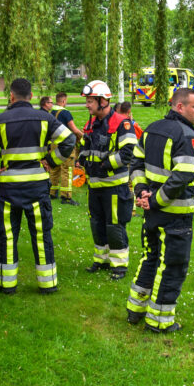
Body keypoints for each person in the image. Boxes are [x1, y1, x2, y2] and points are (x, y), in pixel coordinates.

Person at [0, 78, 75, 295]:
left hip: (9, 187)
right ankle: (48, 285)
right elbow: (69, 140)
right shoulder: (44, 118)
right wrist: (51, 160)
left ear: (11, 96)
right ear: (31, 96)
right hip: (37, 187)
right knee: (41, 234)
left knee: (8, 235)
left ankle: (6, 284)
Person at [127, 88, 194, 333]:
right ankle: (159, 321)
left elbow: (136, 163)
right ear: (179, 107)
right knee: (172, 265)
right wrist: (155, 200)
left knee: (150, 257)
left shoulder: (151, 129)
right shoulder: (186, 135)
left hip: (152, 210)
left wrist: (141, 193)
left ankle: (135, 310)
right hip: (174, 213)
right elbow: (184, 174)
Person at [79, 80, 137, 280]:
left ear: (103, 101)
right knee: (97, 223)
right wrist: (81, 159)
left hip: (114, 187)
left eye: (89, 101)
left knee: (114, 225)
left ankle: (119, 266)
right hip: (94, 186)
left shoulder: (122, 123)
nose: (87, 105)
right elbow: (85, 146)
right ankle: (101, 260)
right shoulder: (91, 123)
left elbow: (128, 153)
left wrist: (104, 165)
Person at [49, 91, 83, 205]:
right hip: (66, 144)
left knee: (54, 168)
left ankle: (52, 192)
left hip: (54, 143)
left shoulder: (51, 112)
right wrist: (83, 135)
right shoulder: (65, 113)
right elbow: (73, 129)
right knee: (67, 169)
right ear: (63, 101)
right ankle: (66, 197)